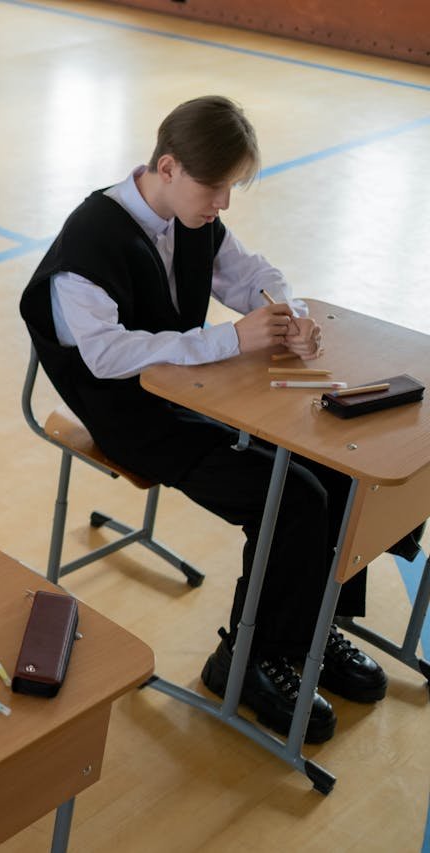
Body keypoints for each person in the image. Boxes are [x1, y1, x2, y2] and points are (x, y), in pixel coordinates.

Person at [20, 95, 400, 744]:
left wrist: (288, 314)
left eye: (230, 189)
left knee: (339, 464)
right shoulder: (90, 239)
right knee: (291, 497)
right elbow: (109, 355)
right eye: (216, 187)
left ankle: (307, 630)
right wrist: (233, 340)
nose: (222, 203)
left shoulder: (191, 215)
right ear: (167, 166)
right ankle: (245, 661)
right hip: (133, 418)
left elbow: (253, 275)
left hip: (191, 394)